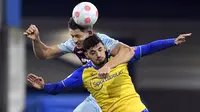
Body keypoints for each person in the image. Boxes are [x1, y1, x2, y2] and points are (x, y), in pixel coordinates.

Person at [24, 17, 191, 112]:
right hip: (97, 96)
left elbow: (140, 49)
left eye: (77, 36)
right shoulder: (79, 60)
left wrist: (172, 41)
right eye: (72, 36)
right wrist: (37, 41)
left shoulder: (107, 44)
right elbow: (47, 60)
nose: (74, 40)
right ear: (86, 55)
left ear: (104, 47)